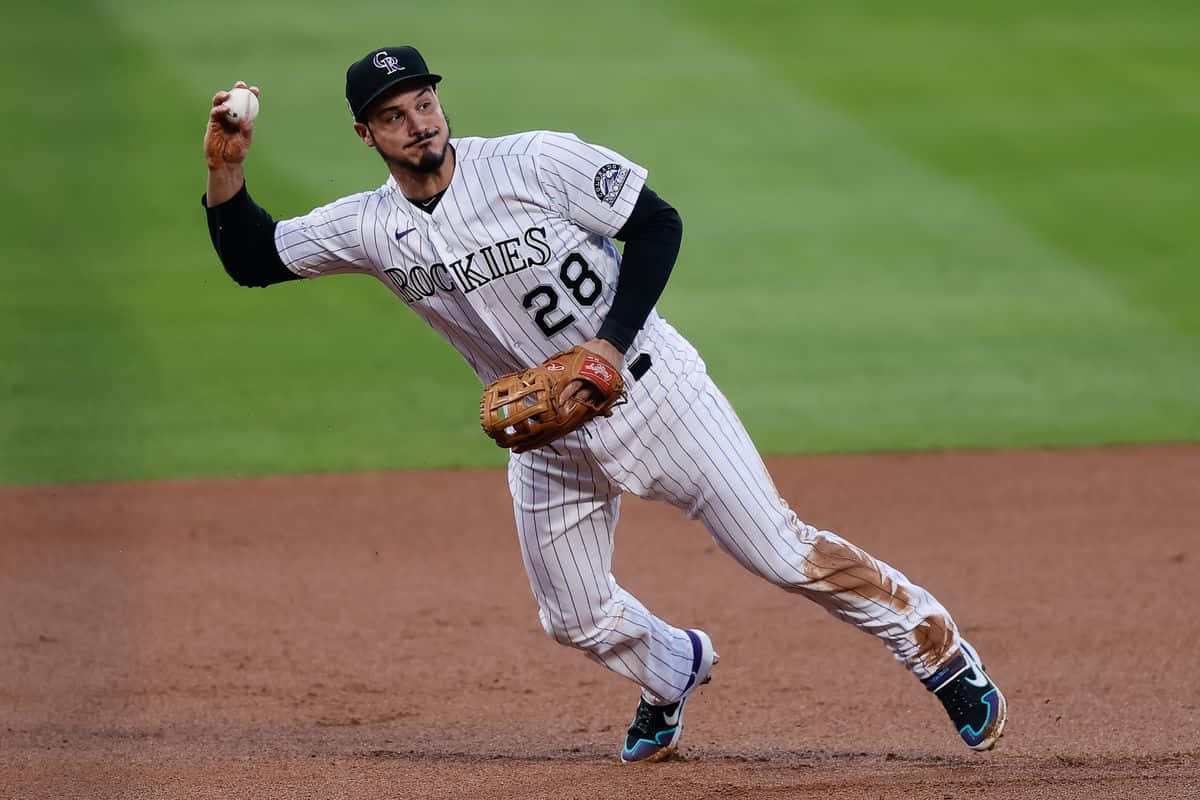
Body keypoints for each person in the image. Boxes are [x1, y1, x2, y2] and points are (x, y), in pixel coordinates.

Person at [201, 46, 1007, 762]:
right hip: (550, 440)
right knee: (572, 615)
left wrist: (608, 348)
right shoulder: (371, 226)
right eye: (392, 115)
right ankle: (671, 668)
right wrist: (225, 163)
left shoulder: (532, 162)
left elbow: (656, 225)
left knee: (782, 553)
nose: (417, 123)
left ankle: (939, 652)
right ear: (365, 135)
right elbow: (251, 257)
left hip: (657, 393)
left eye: (423, 103)